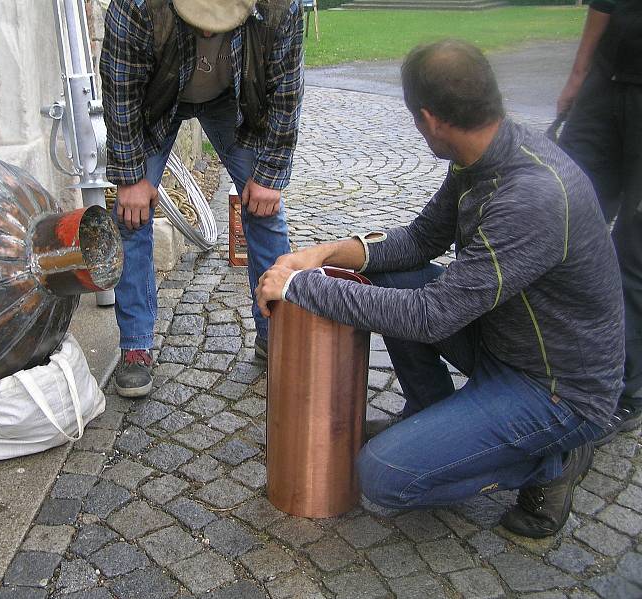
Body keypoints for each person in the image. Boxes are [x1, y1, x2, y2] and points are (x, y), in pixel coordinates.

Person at [255, 40, 625, 538]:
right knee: (391, 274)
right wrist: (323, 254)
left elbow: (432, 316)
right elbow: (420, 241)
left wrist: (299, 287)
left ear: (429, 120)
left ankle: (552, 462)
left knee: (385, 477)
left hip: (557, 391)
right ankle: (427, 412)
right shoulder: (483, 155)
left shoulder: (531, 199)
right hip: (504, 345)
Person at [100, 0, 303, 398]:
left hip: (231, 98)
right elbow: (119, 89)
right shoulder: (138, 5)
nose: (208, 33)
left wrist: (270, 176)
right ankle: (136, 346)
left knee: (265, 210)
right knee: (130, 216)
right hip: (154, 99)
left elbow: (286, 94)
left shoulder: (280, 6)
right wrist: (130, 178)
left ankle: (275, 334)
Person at [557, 0, 642, 443]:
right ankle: (554, 364)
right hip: (605, 83)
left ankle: (624, 391)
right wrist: (578, 77)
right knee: (564, 221)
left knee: (635, 254)